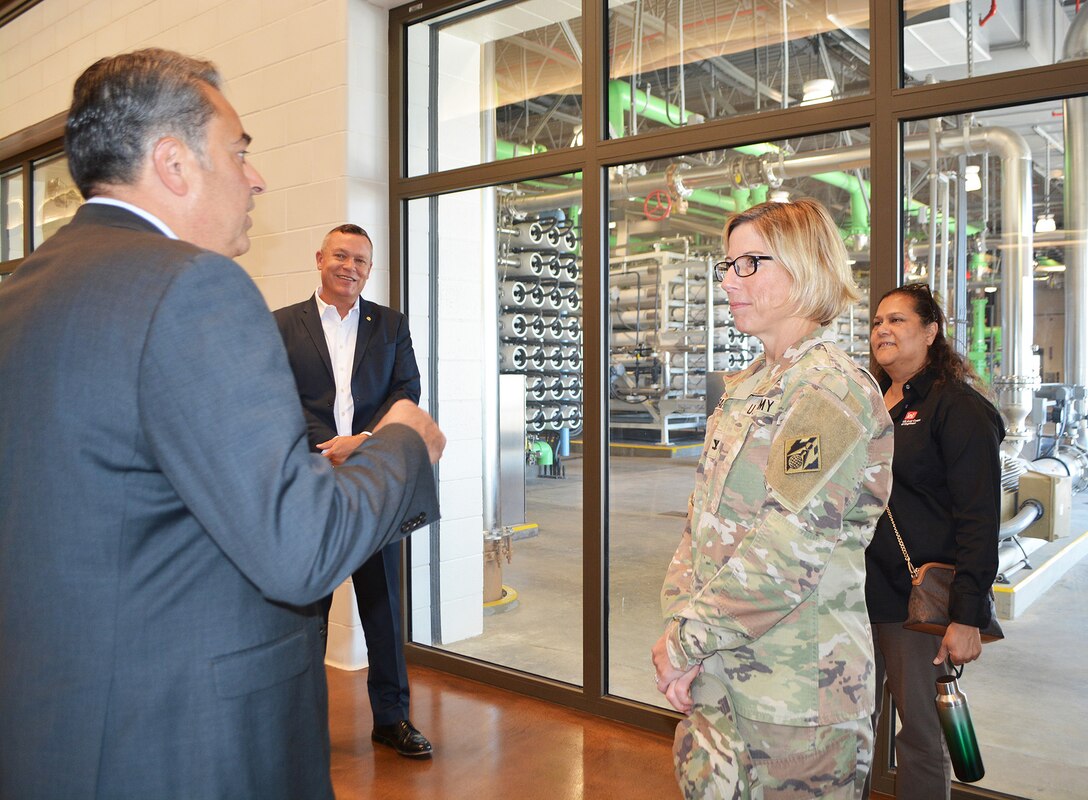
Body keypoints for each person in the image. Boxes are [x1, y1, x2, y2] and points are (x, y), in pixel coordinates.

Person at [0, 49, 445, 800]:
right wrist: (405, 444)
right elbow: (298, 547)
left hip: (59, 728)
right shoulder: (194, 287)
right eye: (238, 151)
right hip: (183, 746)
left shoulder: (24, 293)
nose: (257, 176)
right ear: (174, 164)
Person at [651, 198, 894, 799]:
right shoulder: (752, 387)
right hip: (721, 675)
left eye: (749, 264)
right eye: (727, 266)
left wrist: (684, 642)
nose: (730, 280)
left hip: (794, 700)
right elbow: (703, 524)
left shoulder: (829, 389)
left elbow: (787, 552)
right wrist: (682, 631)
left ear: (804, 267)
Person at [275, 224, 432, 758]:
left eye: (361, 260)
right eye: (341, 256)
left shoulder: (389, 324)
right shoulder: (280, 325)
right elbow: (270, 396)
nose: (351, 267)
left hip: (372, 484)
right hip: (309, 481)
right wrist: (325, 444)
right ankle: (300, 726)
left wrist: (361, 440)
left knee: (385, 608)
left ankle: (392, 719)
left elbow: (406, 391)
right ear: (319, 258)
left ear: (370, 269)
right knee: (306, 613)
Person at [863, 283, 1004, 800]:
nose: (883, 330)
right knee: (853, 726)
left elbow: (979, 519)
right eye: (878, 321)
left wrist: (966, 616)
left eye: (898, 321)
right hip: (856, 596)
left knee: (922, 735)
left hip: (917, 605)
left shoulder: (958, 408)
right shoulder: (871, 404)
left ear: (930, 331)